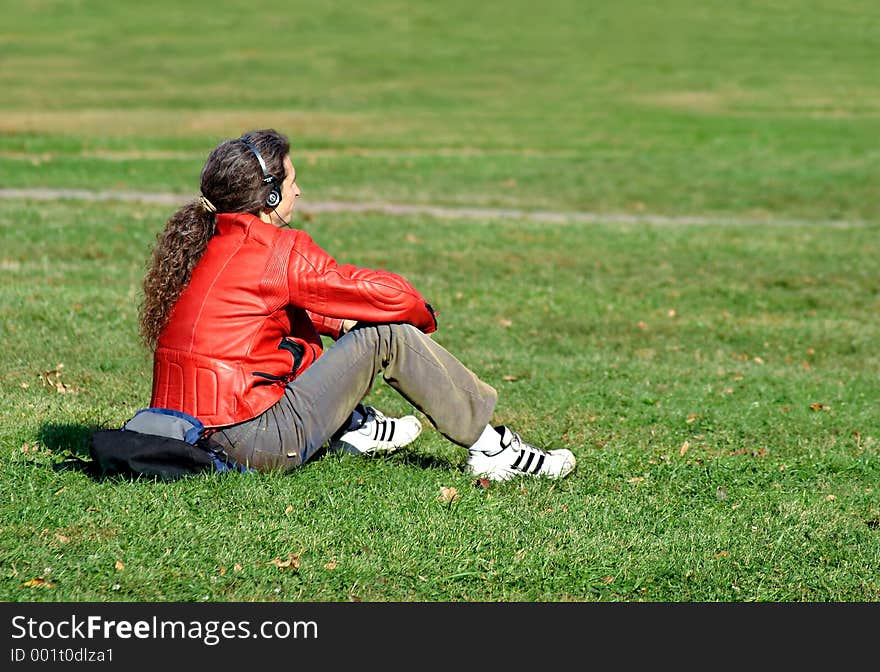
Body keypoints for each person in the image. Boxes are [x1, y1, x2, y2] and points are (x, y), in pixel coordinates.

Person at [137, 129, 576, 481]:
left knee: (298, 319)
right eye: (292, 181)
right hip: (256, 440)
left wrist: (340, 324)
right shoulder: (276, 249)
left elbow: (282, 308)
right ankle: (494, 449)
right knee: (386, 334)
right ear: (269, 196)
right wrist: (420, 314)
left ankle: (354, 424)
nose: (300, 191)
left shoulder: (202, 244)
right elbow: (389, 299)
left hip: (187, 430)